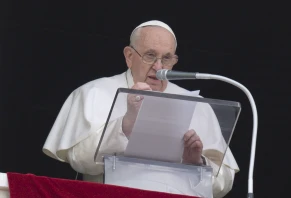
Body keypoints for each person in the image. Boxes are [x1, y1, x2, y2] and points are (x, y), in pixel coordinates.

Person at [43, 20, 239, 198]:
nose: (159, 67)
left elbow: (224, 182)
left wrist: (197, 164)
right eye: (150, 56)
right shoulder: (94, 92)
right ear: (129, 56)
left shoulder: (199, 105)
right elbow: (79, 159)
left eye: (167, 58)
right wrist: (125, 126)